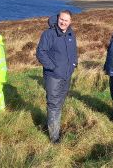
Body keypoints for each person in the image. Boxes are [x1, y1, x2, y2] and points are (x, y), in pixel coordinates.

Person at [36, 10, 78, 143]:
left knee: (59, 103)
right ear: (58, 18)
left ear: (70, 22)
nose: (63, 22)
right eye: (62, 19)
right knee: (53, 104)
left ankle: (53, 126)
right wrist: (52, 67)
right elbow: (40, 52)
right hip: (53, 76)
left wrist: (73, 64)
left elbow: (73, 51)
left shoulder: (71, 34)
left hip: (66, 75)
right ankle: (54, 137)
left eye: (66, 20)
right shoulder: (49, 34)